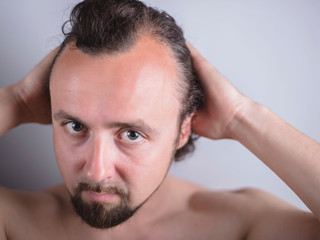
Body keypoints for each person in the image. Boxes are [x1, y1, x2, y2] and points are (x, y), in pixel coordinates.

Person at [1, 0, 320, 239]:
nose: (96, 170)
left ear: (182, 131)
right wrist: (15, 101)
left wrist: (242, 117)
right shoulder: (14, 222)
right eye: (75, 126)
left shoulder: (242, 226)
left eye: (131, 134)